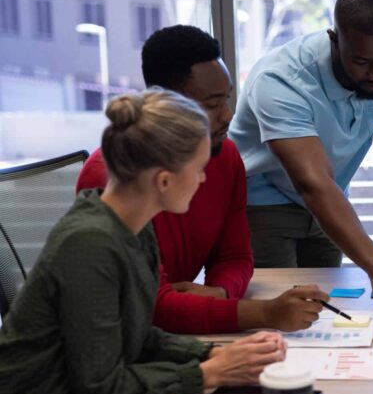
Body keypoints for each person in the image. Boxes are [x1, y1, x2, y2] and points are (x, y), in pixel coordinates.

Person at [0, 89, 287, 394]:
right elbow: (102, 388)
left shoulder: (132, 228)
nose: (205, 180)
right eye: (198, 169)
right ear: (164, 180)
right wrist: (208, 374)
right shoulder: (90, 244)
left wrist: (218, 355)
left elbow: (141, 336)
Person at [76, 25, 327, 334]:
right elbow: (148, 304)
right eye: (211, 105)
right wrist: (263, 313)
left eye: (226, 99)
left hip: (166, 334)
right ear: (165, 104)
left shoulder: (224, 154)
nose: (227, 115)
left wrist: (220, 293)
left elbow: (235, 255)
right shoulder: (112, 176)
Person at [230, 0, 373, 319]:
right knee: (280, 319)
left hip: (332, 201)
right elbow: (313, 182)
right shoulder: (281, 80)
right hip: (262, 203)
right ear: (335, 39)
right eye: (363, 62)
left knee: (329, 315)